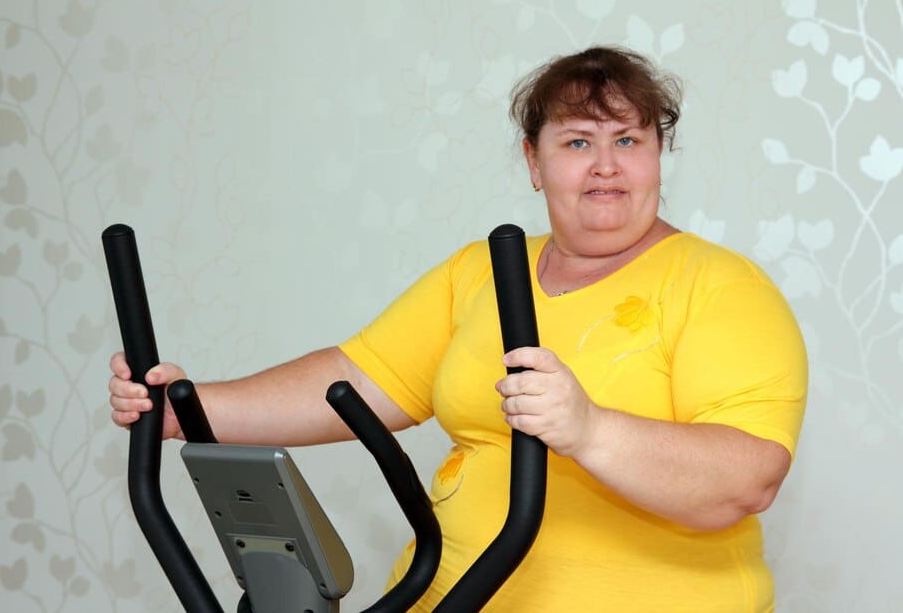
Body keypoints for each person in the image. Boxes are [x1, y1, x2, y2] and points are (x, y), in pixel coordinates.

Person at [108, 46, 807, 612]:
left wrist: (590, 429)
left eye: (629, 139)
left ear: (658, 155)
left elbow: (747, 479)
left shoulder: (720, 287)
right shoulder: (482, 272)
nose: (606, 164)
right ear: (534, 162)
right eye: (577, 141)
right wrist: (185, 408)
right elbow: (357, 379)